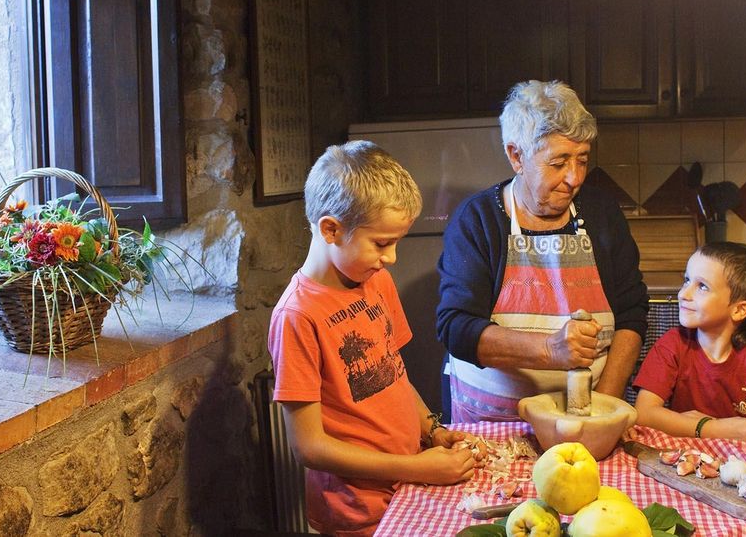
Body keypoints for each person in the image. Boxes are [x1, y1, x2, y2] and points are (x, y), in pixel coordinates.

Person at [268, 141, 485, 537]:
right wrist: (418, 468)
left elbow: (395, 376)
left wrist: (431, 430)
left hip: (405, 488)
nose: (392, 258)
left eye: (397, 242)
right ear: (331, 229)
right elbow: (309, 448)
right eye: (382, 243)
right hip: (355, 512)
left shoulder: (376, 281)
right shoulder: (296, 317)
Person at [437, 80, 649, 423]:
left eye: (582, 160)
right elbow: (457, 328)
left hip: (588, 419)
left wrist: (603, 408)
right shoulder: (477, 220)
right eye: (558, 162)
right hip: (493, 425)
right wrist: (550, 350)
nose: (574, 178)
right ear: (516, 155)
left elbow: (631, 313)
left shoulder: (601, 213)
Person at [632, 242, 746, 443]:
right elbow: (644, 413)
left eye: (702, 286)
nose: (683, 294)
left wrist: (741, 429)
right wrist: (712, 428)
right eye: (686, 281)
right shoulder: (672, 345)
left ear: (739, 310)